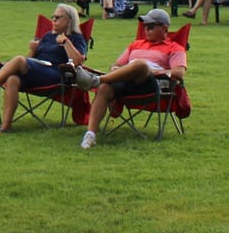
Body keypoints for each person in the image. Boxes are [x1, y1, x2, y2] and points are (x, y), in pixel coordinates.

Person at [0, 3, 90, 132]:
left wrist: (66, 42)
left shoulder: (76, 38)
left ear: (69, 21)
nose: (53, 20)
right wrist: (33, 50)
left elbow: (79, 61)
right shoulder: (48, 36)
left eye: (58, 17)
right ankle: (5, 127)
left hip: (56, 75)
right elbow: (29, 61)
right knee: (12, 79)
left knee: (19, 59)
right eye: (53, 17)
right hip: (38, 71)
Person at [78, 9, 187, 149]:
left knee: (141, 64)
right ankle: (90, 135)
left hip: (151, 84)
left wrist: (151, 71)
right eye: (145, 26)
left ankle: (96, 80)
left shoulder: (175, 48)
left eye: (151, 26)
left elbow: (179, 73)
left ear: (164, 28)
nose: (146, 29)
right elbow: (117, 65)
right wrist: (116, 69)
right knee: (104, 88)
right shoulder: (136, 45)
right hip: (126, 81)